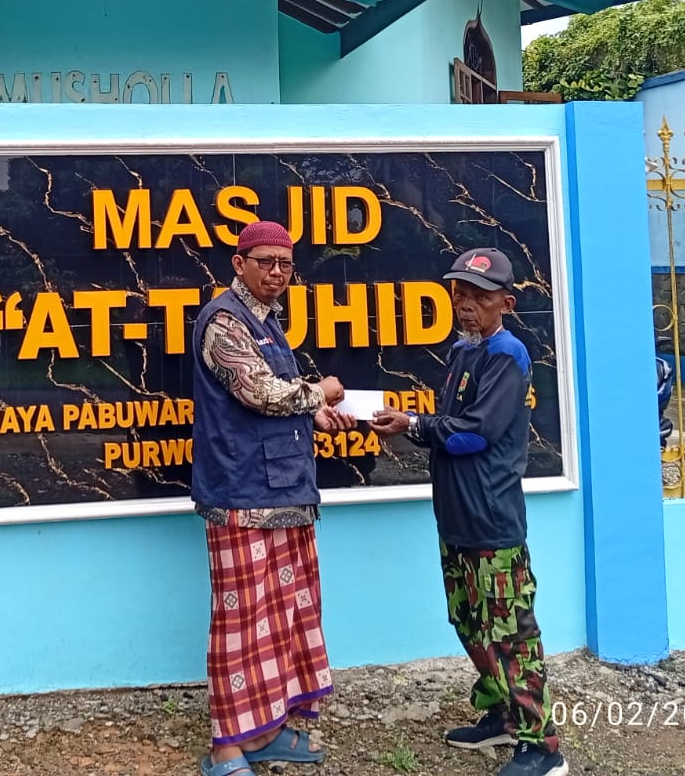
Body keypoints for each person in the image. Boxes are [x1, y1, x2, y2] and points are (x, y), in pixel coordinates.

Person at [371, 247, 567, 776]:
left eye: (479, 296)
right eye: (460, 294)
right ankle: (502, 714)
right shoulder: (464, 351)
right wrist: (413, 426)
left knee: (510, 634)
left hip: (491, 522)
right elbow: (451, 427)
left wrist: (414, 425)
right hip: (457, 519)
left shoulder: (507, 356)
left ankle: (542, 746)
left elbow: (473, 435)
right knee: (469, 621)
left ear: (506, 303)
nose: (466, 304)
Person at [190, 219, 354, 776]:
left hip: (284, 491)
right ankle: (226, 748)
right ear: (239, 264)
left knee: (283, 617)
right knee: (241, 624)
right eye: (265, 262)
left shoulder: (267, 321)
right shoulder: (222, 321)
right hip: (241, 497)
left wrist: (317, 415)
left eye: (285, 264)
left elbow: (281, 399)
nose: (277, 272)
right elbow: (258, 393)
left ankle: (266, 732)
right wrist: (319, 392)